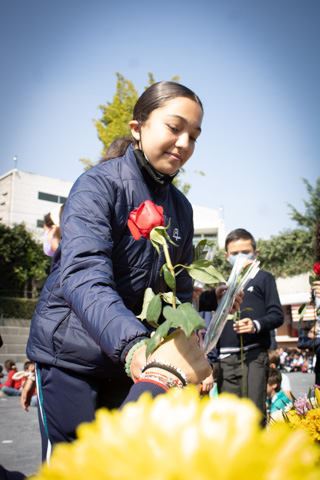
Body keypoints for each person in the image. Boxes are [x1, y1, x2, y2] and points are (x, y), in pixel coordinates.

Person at [25, 81, 212, 462]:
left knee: (124, 465)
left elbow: (178, 295)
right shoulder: (96, 186)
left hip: (134, 366)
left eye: (194, 136)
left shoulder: (182, 209)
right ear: (137, 128)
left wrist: (190, 354)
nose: (184, 144)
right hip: (72, 361)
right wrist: (132, 346)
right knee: (75, 467)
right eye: (174, 128)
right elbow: (82, 274)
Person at [206, 228, 284, 423]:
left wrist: (256, 324)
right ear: (226, 256)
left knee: (254, 415)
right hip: (225, 359)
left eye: (245, 252)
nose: (240, 257)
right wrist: (213, 359)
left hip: (253, 356)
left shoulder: (264, 278)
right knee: (229, 418)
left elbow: (277, 315)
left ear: (255, 253)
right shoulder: (223, 284)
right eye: (234, 253)